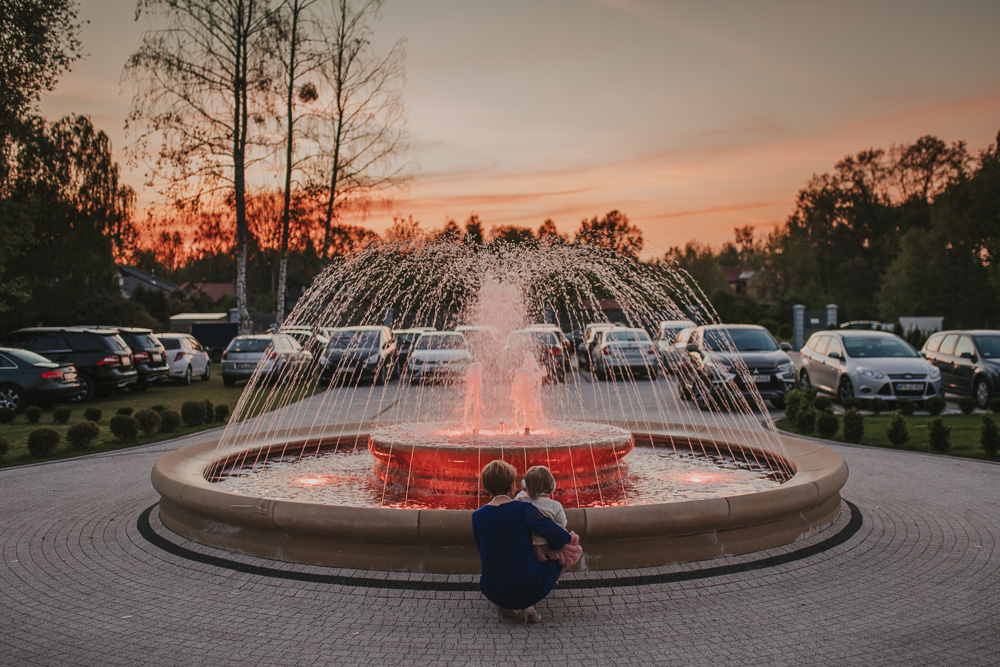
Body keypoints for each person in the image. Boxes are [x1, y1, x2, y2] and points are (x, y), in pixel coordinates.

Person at [471, 460, 572, 624]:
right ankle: (529, 603)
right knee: (567, 552)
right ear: (512, 485)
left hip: (491, 588)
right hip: (525, 586)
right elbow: (561, 538)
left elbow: (481, 550)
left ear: (485, 487)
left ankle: (504, 603)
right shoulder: (524, 510)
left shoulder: (477, 516)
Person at [514, 465, 583, 569]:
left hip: (528, 544)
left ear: (525, 484)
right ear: (552, 485)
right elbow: (562, 523)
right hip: (548, 546)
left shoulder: (521, 501)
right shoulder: (555, 505)